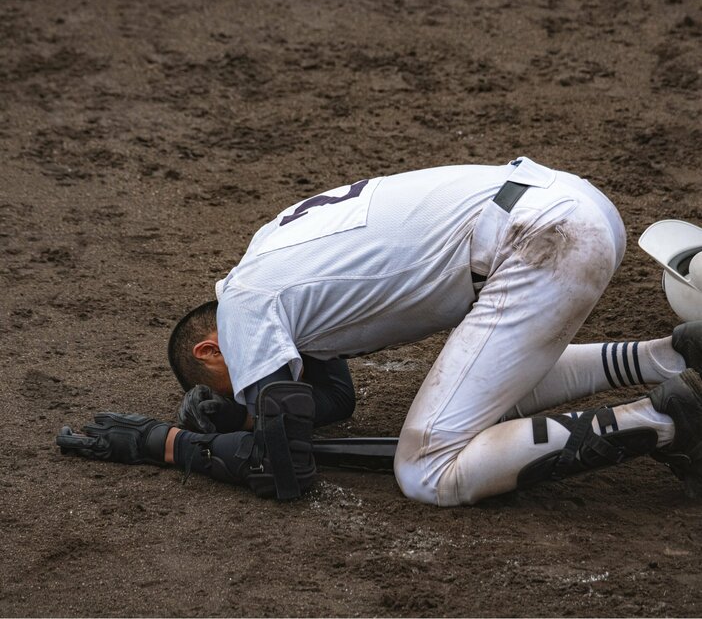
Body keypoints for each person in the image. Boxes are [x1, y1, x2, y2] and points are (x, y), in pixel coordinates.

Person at [57, 157, 702, 505]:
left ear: (210, 347)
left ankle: (665, 421)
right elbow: (335, 403)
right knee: (471, 410)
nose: (251, 389)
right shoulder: (269, 255)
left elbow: (284, 474)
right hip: (571, 208)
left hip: (539, 243)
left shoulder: (244, 311)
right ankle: (668, 359)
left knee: (427, 471)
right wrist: (244, 416)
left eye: (234, 381)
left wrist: (163, 444)